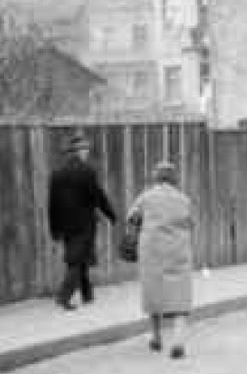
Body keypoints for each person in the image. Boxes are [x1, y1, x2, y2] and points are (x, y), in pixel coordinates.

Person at [126, 161, 194, 359]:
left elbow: (131, 217)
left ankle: (156, 337)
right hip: (177, 250)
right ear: (174, 179)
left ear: (156, 178)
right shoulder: (184, 199)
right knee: (180, 296)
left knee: (154, 293)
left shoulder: (146, 197)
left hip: (152, 252)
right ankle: (178, 341)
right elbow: (191, 222)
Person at [47, 133, 116, 311]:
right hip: (84, 224)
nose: (87, 153)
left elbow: (52, 203)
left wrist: (54, 229)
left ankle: (87, 295)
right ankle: (64, 296)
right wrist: (110, 214)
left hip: (65, 225)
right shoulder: (86, 171)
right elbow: (97, 196)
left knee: (80, 257)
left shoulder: (56, 172)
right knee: (77, 260)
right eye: (85, 149)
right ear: (77, 151)